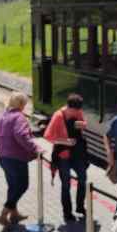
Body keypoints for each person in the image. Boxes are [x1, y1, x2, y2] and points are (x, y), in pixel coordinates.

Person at [0, 92, 41, 227]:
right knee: (22, 186)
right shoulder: (19, 117)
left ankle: (14, 214)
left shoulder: (2, 116)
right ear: (20, 104)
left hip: (3, 156)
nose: (25, 106)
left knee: (12, 186)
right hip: (16, 159)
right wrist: (36, 149)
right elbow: (22, 135)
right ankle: (3, 214)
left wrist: (1, 149)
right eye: (24, 104)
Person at [44, 92, 90, 224]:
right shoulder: (58, 116)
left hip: (77, 154)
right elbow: (47, 136)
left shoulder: (77, 112)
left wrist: (81, 125)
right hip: (63, 155)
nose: (77, 113)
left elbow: (83, 123)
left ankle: (80, 207)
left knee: (83, 179)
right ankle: (67, 212)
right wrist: (66, 141)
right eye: (76, 110)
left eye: (79, 110)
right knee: (66, 184)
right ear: (69, 107)